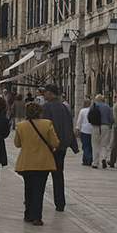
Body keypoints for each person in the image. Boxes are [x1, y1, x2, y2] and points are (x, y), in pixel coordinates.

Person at [14, 102, 60, 226]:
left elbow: (17, 144)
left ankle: (27, 214)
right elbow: (55, 143)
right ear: (40, 112)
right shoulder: (47, 124)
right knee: (39, 190)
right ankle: (36, 217)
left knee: (28, 188)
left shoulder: (20, 126)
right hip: (42, 163)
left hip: (27, 162)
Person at [40, 83, 76, 212]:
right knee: (58, 174)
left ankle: (37, 202)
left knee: (42, 176)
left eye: (45, 92)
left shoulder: (47, 107)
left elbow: (45, 127)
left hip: (50, 147)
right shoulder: (64, 107)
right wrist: (71, 144)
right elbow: (69, 126)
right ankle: (60, 203)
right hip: (61, 147)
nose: (44, 95)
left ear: (50, 93)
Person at [88, 94, 113, 169]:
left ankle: (95, 163)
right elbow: (111, 119)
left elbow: (88, 116)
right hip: (105, 126)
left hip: (95, 126)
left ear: (96, 99)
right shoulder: (107, 107)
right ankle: (103, 158)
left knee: (95, 144)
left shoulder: (93, 106)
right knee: (104, 144)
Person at [75, 99, 93, 166]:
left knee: (85, 146)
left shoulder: (82, 111)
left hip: (84, 130)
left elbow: (79, 120)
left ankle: (89, 157)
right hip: (92, 130)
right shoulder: (92, 110)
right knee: (90, 146)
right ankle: (85, 160)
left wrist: (78, 128)